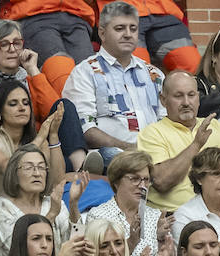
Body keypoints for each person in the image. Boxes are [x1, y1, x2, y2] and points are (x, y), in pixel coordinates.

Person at [63, 3, 165, 159]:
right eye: (119, 28)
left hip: (156, 156)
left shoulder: (154, 74)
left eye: (133, 28)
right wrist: (130, 149)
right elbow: (85, 129)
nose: (128, 34)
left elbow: (166, 121)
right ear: (102, 34)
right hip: (112, 157)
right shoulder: (84, 72)